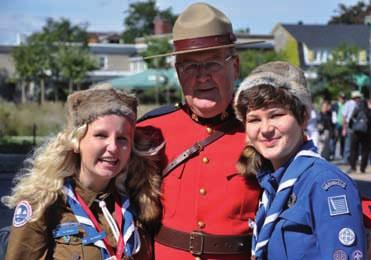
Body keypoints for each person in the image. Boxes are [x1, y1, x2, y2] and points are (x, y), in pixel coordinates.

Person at [138, 2, 262, 259]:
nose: (202, 76)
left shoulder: (264, 131)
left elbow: (320, 183)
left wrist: (368, 226)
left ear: (235, 66)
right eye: (190, 66)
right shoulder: (150, 131)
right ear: (178, 72)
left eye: (213, 63)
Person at [2, 86, 162, 260]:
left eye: (122, 138)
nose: (113, 147)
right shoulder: (43, 205)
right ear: (76, 141)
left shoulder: (139, 201)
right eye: (101, 135)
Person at [233, 61, 366, 259]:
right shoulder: (270, 183)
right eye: (254, 119)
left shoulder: (325, 184)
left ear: (303, 117)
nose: (266, 128)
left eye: (276, 115)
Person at [348, 99, 371, 173]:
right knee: (365, 151)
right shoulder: (370, 111)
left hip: (355, 133)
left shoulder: (356, 110)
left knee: (353, 150)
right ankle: (362, 167)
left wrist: (352, 128)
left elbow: (350, 121)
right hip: (366, 133)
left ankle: (353, 167)